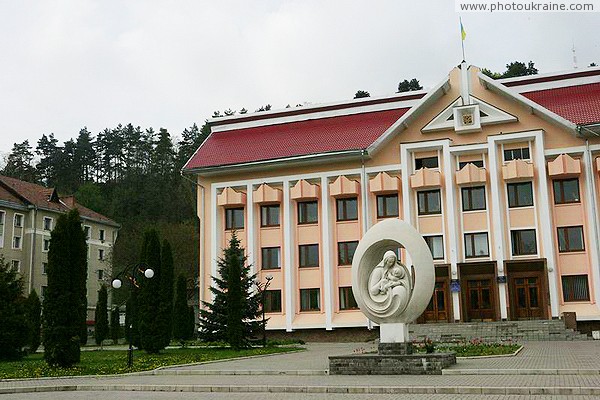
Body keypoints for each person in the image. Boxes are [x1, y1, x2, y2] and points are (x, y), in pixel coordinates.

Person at [367, 250, 412, 316]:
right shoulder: (378, 270)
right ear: (385, 261)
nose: (390, 264)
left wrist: (397, 282)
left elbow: (400, 279)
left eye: (393, 262)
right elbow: (373, 291)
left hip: (393, 295)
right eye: (389, 262)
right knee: (384, 282)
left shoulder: (394, 270)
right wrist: (382, 282)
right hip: (382, 298)